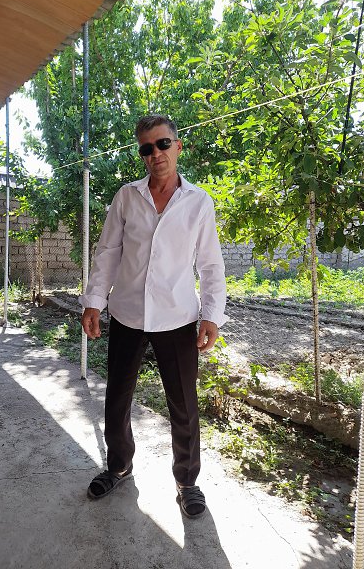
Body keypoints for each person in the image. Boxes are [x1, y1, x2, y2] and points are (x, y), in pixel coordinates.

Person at [80, 114, 227, 518]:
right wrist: (94, 301)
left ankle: (187, 481)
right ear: (141, 154)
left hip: (177, 317)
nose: (155, 153)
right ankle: (118, 466)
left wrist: (212, 315)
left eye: (163, 144)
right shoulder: (127, 197)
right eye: (147, 148)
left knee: (183, 403)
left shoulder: (198, 202)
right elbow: (108, 252)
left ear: (178, 147)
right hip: (127, 312)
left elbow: (210, 264)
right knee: (117, 396)